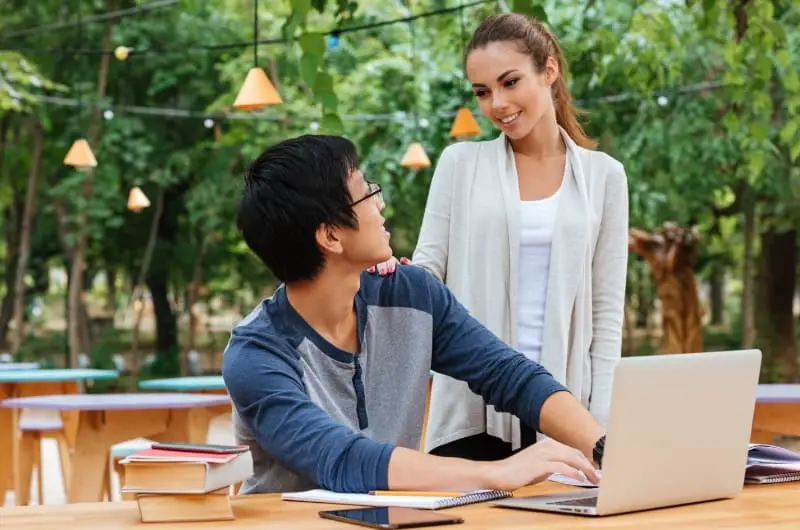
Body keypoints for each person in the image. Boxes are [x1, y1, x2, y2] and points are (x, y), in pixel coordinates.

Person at [222, 134, 607, 495]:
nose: (380, 204)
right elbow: (338, 461)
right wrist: (497, 473)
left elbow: (509, 375)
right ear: (331, 237)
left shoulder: (410, 295)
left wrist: (605, 449)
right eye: (367, 193)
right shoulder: (256, 355)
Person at [401, 13, 629, 460]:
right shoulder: (459, 164)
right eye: (482, 92)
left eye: (510, 82)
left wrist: (601, 421)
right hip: (473, 406)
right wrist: (397, 276)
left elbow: (607, 313)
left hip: (567, 411)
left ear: (548, 70)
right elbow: (426, 275)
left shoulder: (606, 177)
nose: (497, 104)